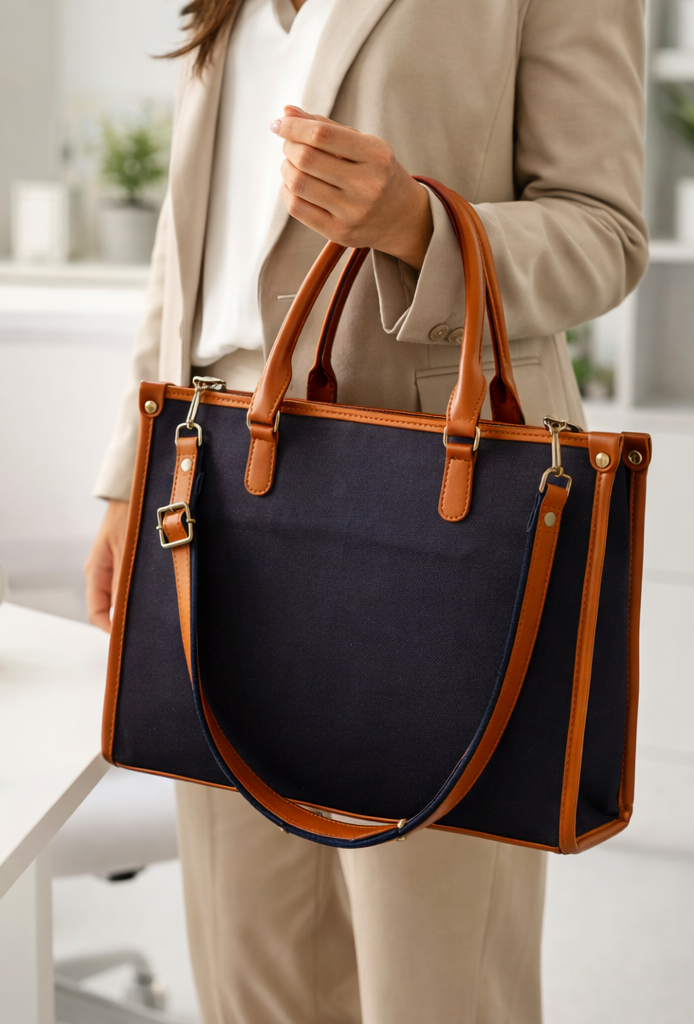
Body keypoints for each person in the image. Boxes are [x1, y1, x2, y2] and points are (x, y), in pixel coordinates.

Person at [85, 0, 648, 1021]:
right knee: (251, 966)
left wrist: (417, 226)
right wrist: (132, 473)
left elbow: (603, 231)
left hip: (435, 502)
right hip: (214, 489)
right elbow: (189, 241)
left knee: (436, 977)